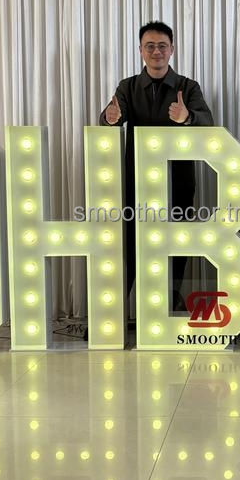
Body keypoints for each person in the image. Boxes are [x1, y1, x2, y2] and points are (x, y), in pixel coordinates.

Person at [98, 21, 213, 314]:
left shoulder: (188, 87)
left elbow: (207, 122)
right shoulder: (127, 87)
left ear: (172, 49)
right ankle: (112, 315)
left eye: (162, 46)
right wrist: (109, 118)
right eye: (150, 46)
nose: (156, 51)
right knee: (129, 245)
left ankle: (167, 307)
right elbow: (110, 116)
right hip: (137, 184)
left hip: (178, 183)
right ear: (140, 50)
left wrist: (187, 117)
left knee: (176, 245)